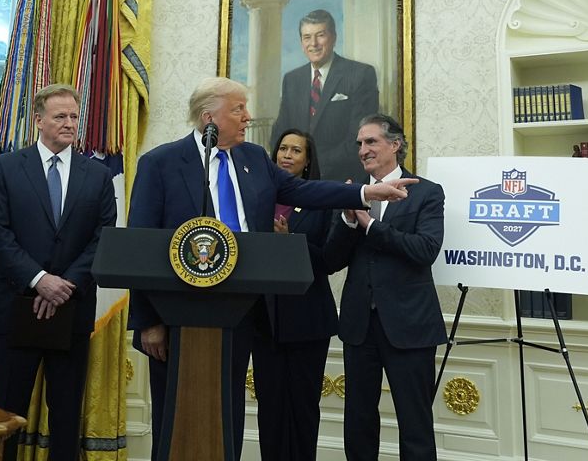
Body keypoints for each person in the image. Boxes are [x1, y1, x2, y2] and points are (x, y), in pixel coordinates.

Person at [127, 77, 415, 461]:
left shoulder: (254, 159)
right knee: (175, 412)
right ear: (209, 117)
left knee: (228, 410)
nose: (248, 117)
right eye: (238, 109)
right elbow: (139, 247)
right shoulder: (160, 164)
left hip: (242, 312)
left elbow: (304, 192)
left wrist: (363, 192)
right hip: (179, 316)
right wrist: (148, 321)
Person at [0, 84, 117, 461]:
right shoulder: (4, 168)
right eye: (60, 116)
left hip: (71, 310)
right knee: (7, 416)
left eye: (74, 116)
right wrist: (40, 281)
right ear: (38, 120)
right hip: (15, 308)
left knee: (67, 415)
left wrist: (65, 285)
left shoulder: (98, 175)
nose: (69, 123)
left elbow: (102, 236)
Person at [326, 113, 446, 461]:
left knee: (415, 423)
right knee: (358, 420)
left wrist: (371, 227)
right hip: (359, 326)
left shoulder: (425, 192)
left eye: (371, 141)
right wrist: (349, 220)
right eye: (360, 144)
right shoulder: (354, 193)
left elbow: (425, 251)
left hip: (410, 326)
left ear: (395, 145)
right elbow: (331, 261)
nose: (363, 150)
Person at [253, 129, 338, 461]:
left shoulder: (320, 202)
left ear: (307, 162)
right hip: (265, 320)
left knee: (303, 406)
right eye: (282, 149)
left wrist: (292, 242)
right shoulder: (258, 199)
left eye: (296, 151)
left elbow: (329, 260)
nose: (287, 155)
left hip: (308, 321)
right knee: (269, 406)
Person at [273, 9, 379, 184]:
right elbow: (281, 130)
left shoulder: (360, 74)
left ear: (334, 37)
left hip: (342, 180)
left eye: (320, 35)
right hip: (296, 181)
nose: (313, 43)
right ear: (301, 42)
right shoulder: (292, 79)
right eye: (307, 37)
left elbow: (358, 137)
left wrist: (311, 164)